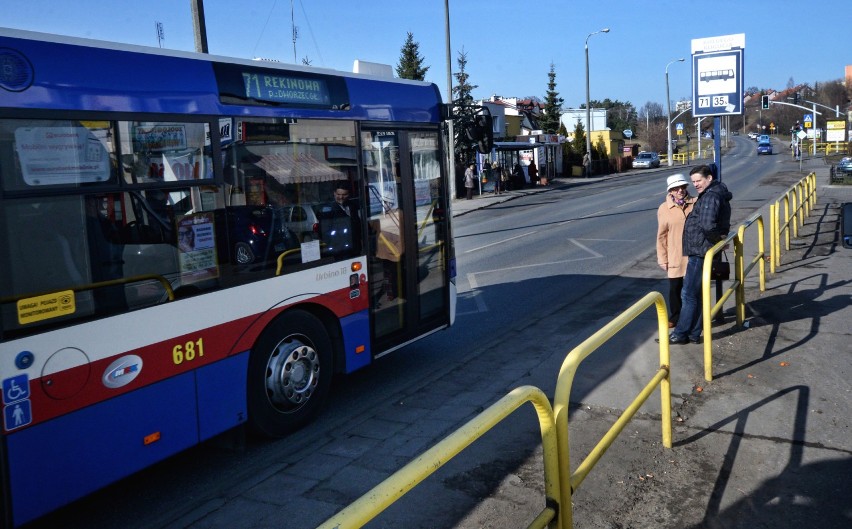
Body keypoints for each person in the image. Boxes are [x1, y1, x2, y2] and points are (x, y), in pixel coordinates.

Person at [669, 165, 732, 345]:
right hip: (704, 250)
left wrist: (718, 241)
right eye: (694, 181)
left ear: (709, 178)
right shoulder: (713, 193)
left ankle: (680, 334)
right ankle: (694, 333)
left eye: (699, 180)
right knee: (697, 295)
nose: (695, 184)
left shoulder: (710, 197)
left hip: (700, 252)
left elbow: (707, 225)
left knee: (688, 294)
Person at [656, 174, 695, 329]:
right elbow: (661, 236)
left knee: (693, 290)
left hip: (693, 254)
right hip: (675, 255)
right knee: (675, 289)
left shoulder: (695, 203)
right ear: (670, 190)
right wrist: (662, 258)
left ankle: (693, 318)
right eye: (676, 188)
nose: (680, 190)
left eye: (682, 187)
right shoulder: (664, 208)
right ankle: (676, 317)